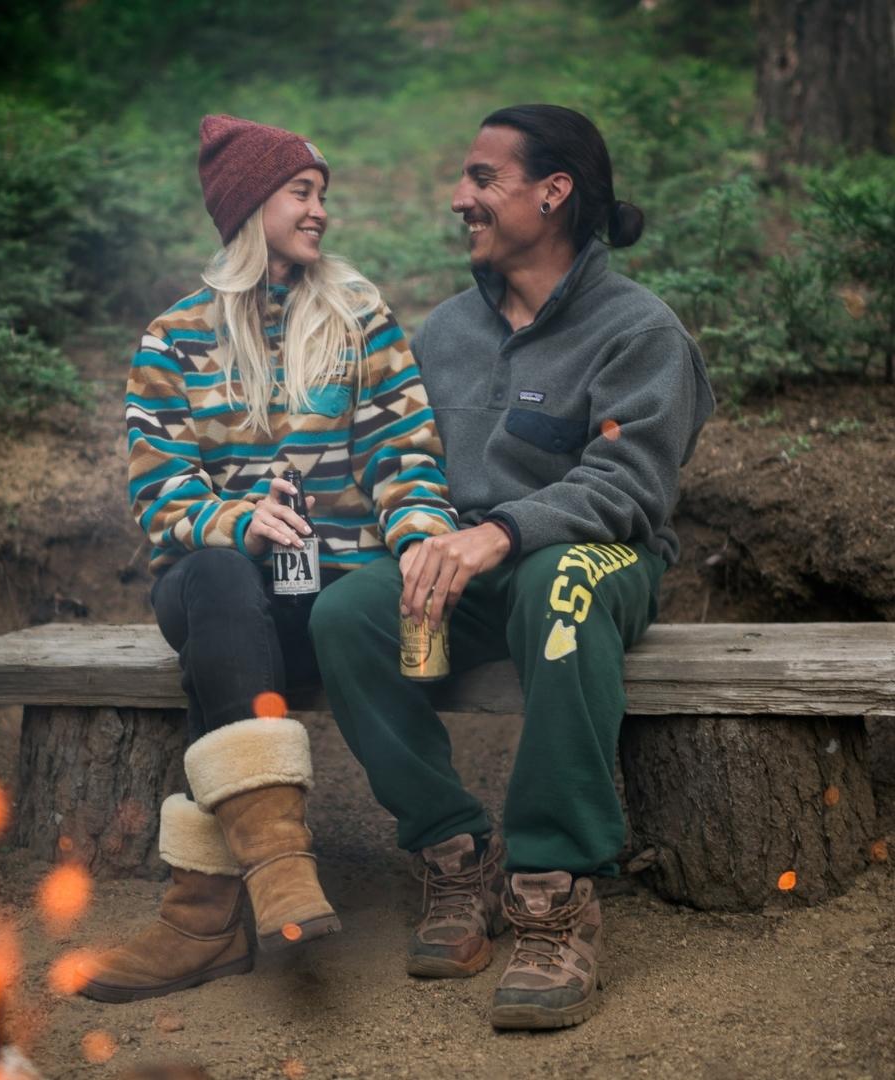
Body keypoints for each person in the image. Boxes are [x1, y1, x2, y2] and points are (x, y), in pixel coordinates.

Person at [310, 104, 715, 1031]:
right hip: (466, 564)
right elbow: (400, 460)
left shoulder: (639, 329)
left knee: (557, 586)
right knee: (347, 615)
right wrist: (409, 532)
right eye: (465, 182)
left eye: (483, 180)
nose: (461, 199)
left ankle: (553, 888)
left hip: (597, 558)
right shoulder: (445, 333)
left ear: (554, 192)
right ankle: (454, 853)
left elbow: (632, 483)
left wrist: (501, 531)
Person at [79, 115, 459, 1003]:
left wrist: (419, 551)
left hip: (331, 602)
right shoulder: (174, 337)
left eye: (323, 192)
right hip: (221, 592)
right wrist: (238, 522)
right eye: (301, 190)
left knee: (225, 664)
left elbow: (406, 459)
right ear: (252, 202)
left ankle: (202, 919)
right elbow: (160, 492)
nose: (320, 208)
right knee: (216, 581)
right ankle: (281, 866)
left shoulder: (359, 315)